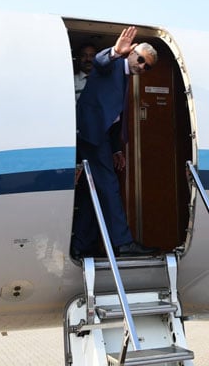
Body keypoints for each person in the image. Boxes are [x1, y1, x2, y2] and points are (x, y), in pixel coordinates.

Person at [73, 26, 158, 257]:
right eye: (140, 59)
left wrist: (116, 149)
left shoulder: (126, 77)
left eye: (146, 66)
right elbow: (100, 61)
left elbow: (114, 117)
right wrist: (114, 51)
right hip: (90, 133)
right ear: (131, 53)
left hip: (99, 136)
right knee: (109, 186)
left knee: (93, 193)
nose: (141, 66)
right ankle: (122, 242)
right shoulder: (112, 65)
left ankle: (82, 244)